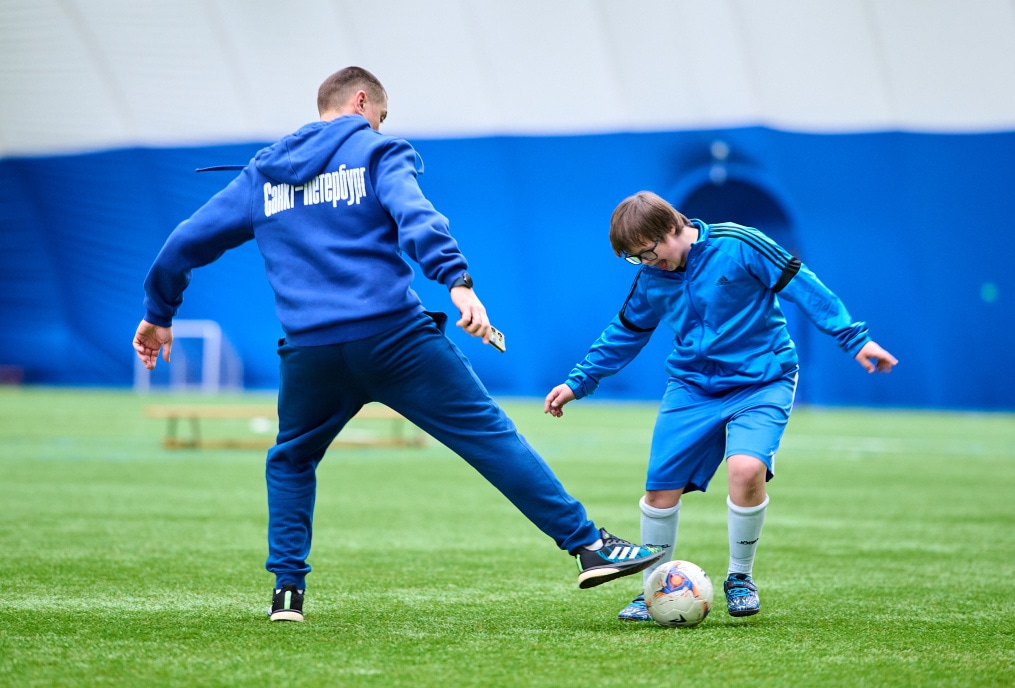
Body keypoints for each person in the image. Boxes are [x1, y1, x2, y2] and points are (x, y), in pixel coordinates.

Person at [132, 67, 663, 622]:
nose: (381, 126)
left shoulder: (262, 175)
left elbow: (182, 243)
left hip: (311, 351)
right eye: (380, 117)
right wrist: (457, 281)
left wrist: (158, 315)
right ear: (363, 101)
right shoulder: (377, 153)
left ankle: (287, 593)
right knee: (489, 437)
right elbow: (417, 217)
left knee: (291, 461)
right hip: (393, 338)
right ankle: (588, 546)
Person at [544, 191, 897, 621]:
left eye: (649, 252)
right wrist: (577, 383)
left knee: (746, 470)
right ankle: (654, 589)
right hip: (692, 388)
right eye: (635, 259)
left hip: (763, 381)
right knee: (659, 492)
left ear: (672, 228)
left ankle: (740, 577)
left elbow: (804, 285)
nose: (647, 263)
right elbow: (624, 334)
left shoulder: (740, 244)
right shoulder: (653, 279)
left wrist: (855, 338)